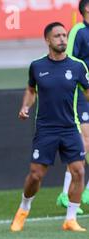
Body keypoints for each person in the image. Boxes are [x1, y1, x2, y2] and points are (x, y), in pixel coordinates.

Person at [10, 22, 89, 233]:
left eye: (64, 35)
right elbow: (30, 90)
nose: (63, 39)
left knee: (79, 171)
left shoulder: (78, 66)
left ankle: (70, 219)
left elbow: (88, 92)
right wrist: (25, 106)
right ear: (47, 40)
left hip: (70, 127)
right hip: (46, 129)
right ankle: (23, 209)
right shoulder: (37, 66)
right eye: (57, 36)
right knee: (36, 175)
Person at [56, 0, 89, 214]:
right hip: (81, 94)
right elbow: (69, 61)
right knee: (84, 143)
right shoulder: (78, 30)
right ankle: (66, 194)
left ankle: (85, 191)